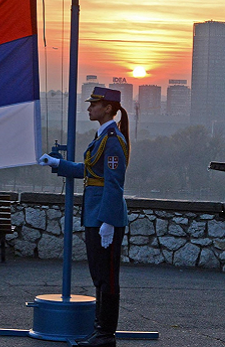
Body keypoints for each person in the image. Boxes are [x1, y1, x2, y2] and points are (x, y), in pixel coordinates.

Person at [39, 87, 129, 347]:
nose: (90, 108)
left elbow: (114, 184)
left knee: (108, 277)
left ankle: (105, 334)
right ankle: (99, 329)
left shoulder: (113, 139)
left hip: (103, 217)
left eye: (94, 104)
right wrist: (58, 164)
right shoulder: (102, 137)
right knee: (99, 277)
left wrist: (109, 221)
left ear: (108, 108)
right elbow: (90, 171)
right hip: (95, 215)